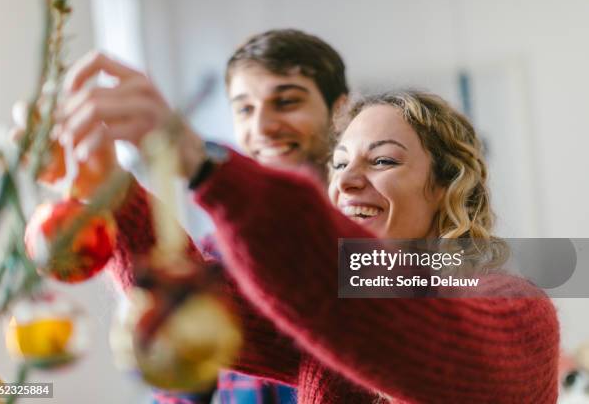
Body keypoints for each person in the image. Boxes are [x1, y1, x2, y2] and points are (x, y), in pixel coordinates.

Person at [58, 43, 560, 401]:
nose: (347, 182)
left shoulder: (518, 308)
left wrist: (203, 162)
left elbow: (404, 324)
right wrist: (107, 189)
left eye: (382, 161)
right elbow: (198, 304)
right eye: (340, 164)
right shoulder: (332, 306)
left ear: (447, 187)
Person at [55, 29, 348, 403]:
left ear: (340, 110)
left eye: (286, 101)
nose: (262, 127)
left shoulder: (382, 250)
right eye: (245, 108)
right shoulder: (209, 258)